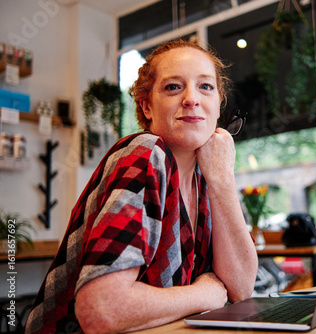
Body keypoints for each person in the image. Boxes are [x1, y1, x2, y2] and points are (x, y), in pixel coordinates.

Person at [25, 40, 258, 333]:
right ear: (147, 107)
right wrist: (203, 295)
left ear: (218, 104)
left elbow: (241, 288)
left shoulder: (206, 176)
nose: (191, 99)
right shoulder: (146, 153)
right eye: (173, 87)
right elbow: (101, 310)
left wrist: (223, 179)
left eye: (206, 87)